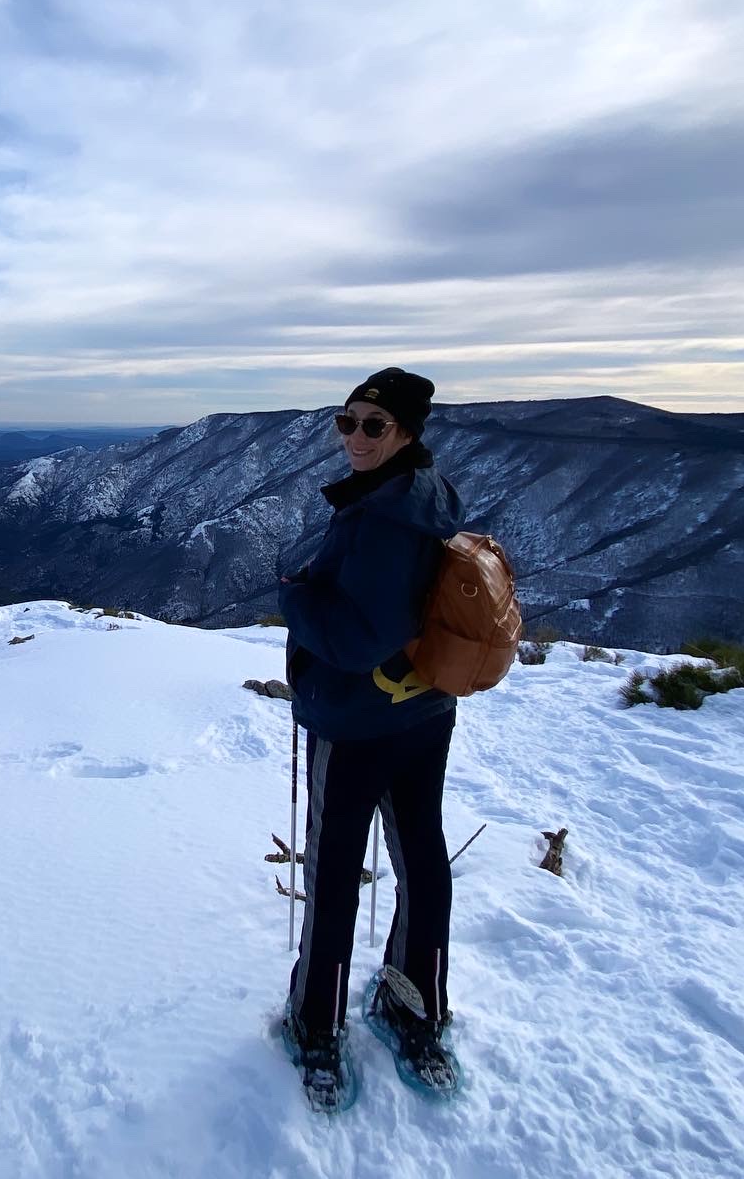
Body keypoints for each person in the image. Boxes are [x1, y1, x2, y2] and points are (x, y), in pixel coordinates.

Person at [276, 366, 467, 1108]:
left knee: (333, 874)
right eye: (346, 421)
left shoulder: (385, 518)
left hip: (359, 720)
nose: (355, 437)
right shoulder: (425, 497)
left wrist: (293, 599)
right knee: (422, 857)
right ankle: (418, 1005)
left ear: (408, 433)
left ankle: (315, 1025)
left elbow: (357, 639)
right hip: (425, 712)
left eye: (373, 426)